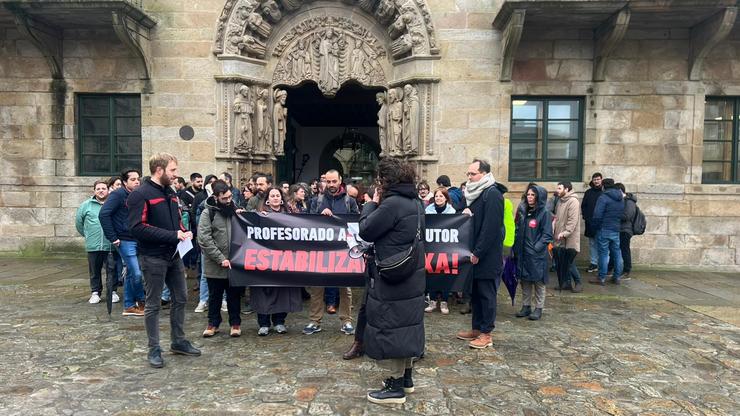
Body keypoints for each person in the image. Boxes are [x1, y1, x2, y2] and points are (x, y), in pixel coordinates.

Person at [359, 157, 425, 405]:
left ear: (386, 180)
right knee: (407, 325)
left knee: (394, 326)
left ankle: (395, 387)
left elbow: (366, 229)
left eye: (380, 180)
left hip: (393, 274)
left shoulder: (392, 204)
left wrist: (370, 204)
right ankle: (406, 379)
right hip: (412, 274)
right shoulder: (415, 202)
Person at [127, 153, 201, 368]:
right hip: (152, 257)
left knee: (181, 298)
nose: (176, 175)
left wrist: (183, 231)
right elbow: (137, 228)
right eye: (173, 170)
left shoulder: (171, 191)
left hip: (174, 255)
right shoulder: (140, 194)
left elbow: (176, 219)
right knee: (153, 304)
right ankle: (154, 349)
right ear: (159, 170)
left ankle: (178, 341)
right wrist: (173, 235)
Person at [456, 159, 504, 349]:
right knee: (475, 293)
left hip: (486, 256)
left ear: (483, 174)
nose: (469, 177)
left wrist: (478, 252)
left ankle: (486, 333)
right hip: (473, 253)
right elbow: (461, 212)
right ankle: (476, 328)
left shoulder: (492, 194)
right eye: (468, 174)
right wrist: (464, 213)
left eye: (472, 174)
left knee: (486, 294)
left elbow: (491, 228)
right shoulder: (472, 193)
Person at [304, 169, 358, 336]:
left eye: (334, 181)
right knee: (317, 287)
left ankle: (347, 321)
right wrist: (321, 216)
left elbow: (356, 222)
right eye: (328, 182)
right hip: (321, 250)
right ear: (324, 182)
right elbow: (307, 222)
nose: (331, 185)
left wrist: (335, 218)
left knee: (345, 287)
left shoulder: (350, 201)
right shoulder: (316, 201)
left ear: (340, 180)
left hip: (343, 250)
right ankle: (315, 320)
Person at [250, 187, 303, 335]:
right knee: (263, 291)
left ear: (281, 198)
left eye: (277, 195)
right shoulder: (259, 214)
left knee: (282, 291)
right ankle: (264, 323)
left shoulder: (290, 215)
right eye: (272, 195)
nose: (275, 198)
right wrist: (253, 216)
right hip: (264, 260)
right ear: (267, 199)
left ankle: (279, 322)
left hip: (283, 260)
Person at [198, 180, 243, 338]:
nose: (228, 200)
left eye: (230, 196)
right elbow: (204, 239)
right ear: (216, 197)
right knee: (215, 296)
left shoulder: (236, 210)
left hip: (234, 263)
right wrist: (220, 258)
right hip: (215, 264)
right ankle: (213, 324)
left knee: (234, 296)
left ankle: (235, 323)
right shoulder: (207, 213)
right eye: (224, 198)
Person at [99, 169, 145, 316]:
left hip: (137, 239)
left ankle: (129, 306)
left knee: (132, 273)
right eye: (133, 179)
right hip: (124, 240)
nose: (137, 181)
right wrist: (113, 237)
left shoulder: (138, 195)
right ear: (125, 182)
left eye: (138, 179)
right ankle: (142, 300)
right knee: (136, 274)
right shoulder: (118, 194)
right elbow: (104, 214)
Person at [513, 185, 553, 321]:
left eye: (533, 195)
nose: (530, 197)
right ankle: (526, 306)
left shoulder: (545, 213)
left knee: (538, 281)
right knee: (524, 280)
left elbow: (547, 235)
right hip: (523, 252)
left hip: (537, 255)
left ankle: (538, 308)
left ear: (538, 197)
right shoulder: (523, 211)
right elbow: (517, 229)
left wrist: (536, 248)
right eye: (528, 194)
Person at [76, 180, 114, 304]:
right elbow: (79, 223)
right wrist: (88, 235)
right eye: (98, 189)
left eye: (103, 188)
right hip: (93, 244)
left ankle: (112, 291)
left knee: (112, 269)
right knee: (94, 270)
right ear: (94, 191)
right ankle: (95, 292)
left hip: (110, 244)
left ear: (108, 190)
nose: (101, 191)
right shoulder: (86, 205)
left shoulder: (113, 203)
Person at [424, 187, 455, 314]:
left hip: (446, 248)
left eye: (441, 196)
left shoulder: (452, 212)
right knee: (431, 273)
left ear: (446, 198)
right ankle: (432, 301)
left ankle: (444, 302)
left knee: (446, 273)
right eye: (436, 196)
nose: (438, 198)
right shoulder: (428, 210)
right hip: (431, 247)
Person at [588, 178, 624, 286]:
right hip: (616, 229)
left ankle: (601, 277)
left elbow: (597, 215)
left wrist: (594, 227)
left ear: (603, 186)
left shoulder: (603, 197)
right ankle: (617, 277)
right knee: (617, 253)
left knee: (603, 254)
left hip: (604, 229)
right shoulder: (620, 197)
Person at [552, 181, 582, 293]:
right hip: (559, 238)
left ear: (567, 189)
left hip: (569, 238)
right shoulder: (560, 201)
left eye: (559, 188)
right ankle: (566, 283)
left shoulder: (573, 201)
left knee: (569, 262)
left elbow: (572, 221)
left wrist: (565, 233)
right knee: (563, 262)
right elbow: (558, 217)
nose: (557, 190)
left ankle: (578, 283)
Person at [581, 172, 603, 272]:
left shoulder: (605, 192)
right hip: (590, 223)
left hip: (602, 224)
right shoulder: (588, 192)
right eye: (595, 179)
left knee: (602, 244)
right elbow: (583, 206)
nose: (596, 181)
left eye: (598, 179)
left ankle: (602, 264)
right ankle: (594, 263)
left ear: (601, 180)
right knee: (592, 243)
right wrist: (586, 217)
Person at [616, 183, 636, 280]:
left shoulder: (629, 202)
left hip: (625, 230)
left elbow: (627, 216)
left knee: (625, 250)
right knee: (617, 250)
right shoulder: (622, 201)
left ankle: (627, 271)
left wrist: (614, 214)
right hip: (620, 229)